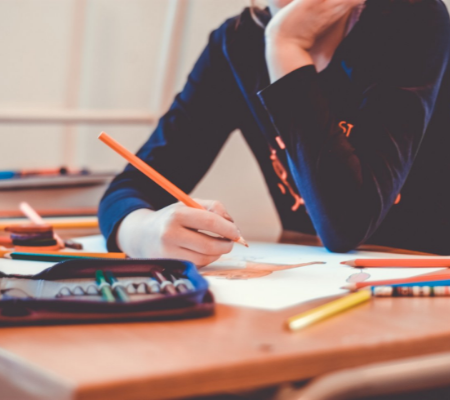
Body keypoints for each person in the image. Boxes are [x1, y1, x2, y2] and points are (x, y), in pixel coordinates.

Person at [99, 0, 450, 265]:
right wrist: (142, 233)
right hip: (316, 281)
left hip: (422, 283)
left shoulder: (411, 18)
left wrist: (285, 47)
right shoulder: (237, 43)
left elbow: (347, 225)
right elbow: (132, 187)